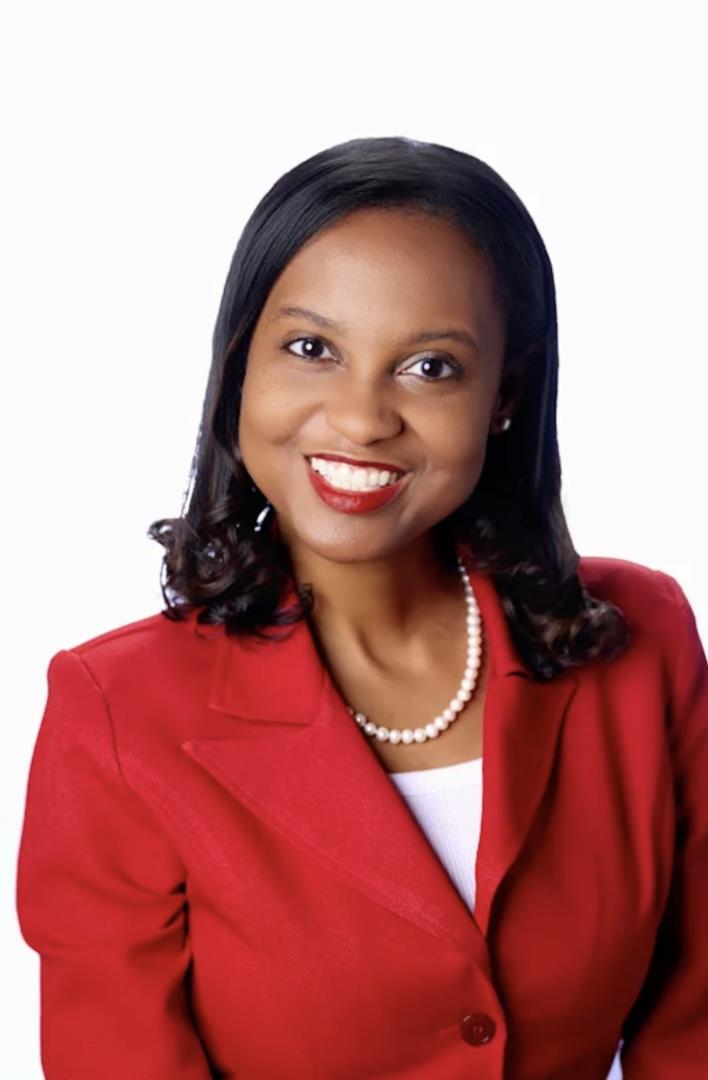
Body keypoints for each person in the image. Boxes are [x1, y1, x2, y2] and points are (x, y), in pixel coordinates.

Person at [16, 136, 707, 1079]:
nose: (361, 418)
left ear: (504, 396)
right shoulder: (117, 713)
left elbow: (695, 1025)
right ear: (240, 365)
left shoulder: (644, 636)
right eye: (312, 349)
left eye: (431, 367)